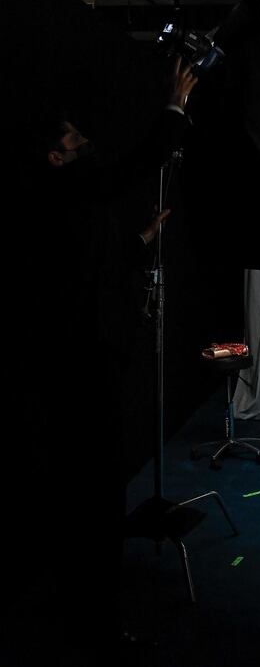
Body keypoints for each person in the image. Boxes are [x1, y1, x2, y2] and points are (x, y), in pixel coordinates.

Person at [19, 56, 197, 667]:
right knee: (90, 502)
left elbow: (98, 252)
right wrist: (174, 105)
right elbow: (132, 166)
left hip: (87, 364)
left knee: (93, 499)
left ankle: (91, 617)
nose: (85, 140)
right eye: (73, 138)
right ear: (55, 157)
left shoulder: (70, 200)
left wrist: (144, 237)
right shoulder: (64, 189)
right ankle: (92, 627)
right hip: (78, 369)